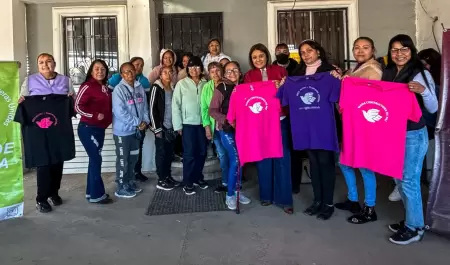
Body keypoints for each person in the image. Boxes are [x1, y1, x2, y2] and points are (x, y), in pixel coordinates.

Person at [382, 34, 438, 245]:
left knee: (409, 181)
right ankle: (410, 220)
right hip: (393, 133)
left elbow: (433, 107)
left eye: (404, 49)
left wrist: (423, 92)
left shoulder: (420, 73)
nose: (399, 54)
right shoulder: (388, 73)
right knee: (398, 178)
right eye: (394, 50)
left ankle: (415, 228)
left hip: (413, 134)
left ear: (411, 51)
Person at [18, 53, 75, 213]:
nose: (45, 65)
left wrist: (70, 98)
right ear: (38, 65)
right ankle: (41, 198)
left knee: (57, 161)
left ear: (54, 63)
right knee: (43, 163)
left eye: (48, 61)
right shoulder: (29, 81)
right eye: (41, 62)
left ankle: (53, 193)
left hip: (58, 129)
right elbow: (22, 101)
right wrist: (21, 101)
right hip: (38, 131)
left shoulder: (65, 81)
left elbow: (72, 104)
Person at [334, 37, 382, 223]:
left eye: (365, 47)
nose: (360, 51)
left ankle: (370, 207)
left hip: (363, 125)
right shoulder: (356, 68)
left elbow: (373, 98)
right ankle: (353, 199)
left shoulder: (374, 69)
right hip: (349, 122)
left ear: (373, 49)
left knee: (365, 166)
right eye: (357, 48)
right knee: (344, 161)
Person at [290, 40, 339, 220]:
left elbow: (338, 95)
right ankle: (317, 200)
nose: (306, 55)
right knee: (314, 164)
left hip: (324, 126)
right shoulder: (297, 73)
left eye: (309, 51)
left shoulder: (329, 71)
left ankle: (328, 203)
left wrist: (338, 77)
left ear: (318, 51)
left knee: (326, 164)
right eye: (302, 52)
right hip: (306, 127)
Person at [244, 43, 293, 214]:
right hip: (260, 123)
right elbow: (247, 99)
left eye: (261, 56)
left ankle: (285, 199)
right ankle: (266, 196)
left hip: (280, 119)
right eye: (254, 57)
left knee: (282, 158)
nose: (258, 59)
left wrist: (282, 87)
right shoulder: (249, 76)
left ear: (267, 56)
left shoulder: (279, 71)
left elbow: (289, 94)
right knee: (263, 158)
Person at [209, 61, 251, 209]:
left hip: (243, 130)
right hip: (226, 129)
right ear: (224, 74)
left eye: (234, 70)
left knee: (241, 160)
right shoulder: (222, 87)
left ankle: (237, 190)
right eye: (228, 71)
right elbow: (212, 111)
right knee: (236, 159)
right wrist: (227, 120)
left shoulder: (244, 87)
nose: (231, 73)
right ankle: (230, 194)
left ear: (240, 71)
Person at [75, 59, 114, 204]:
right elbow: (77, 106)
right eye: (97, 69)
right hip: (87, 129)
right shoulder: (87, 86)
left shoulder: (106, 88)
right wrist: (94, 115)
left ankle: (90, 193)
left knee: (94, 160)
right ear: (91, 71)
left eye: (103, 69)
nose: (100, 71)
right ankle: (98, 195)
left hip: (100, 130)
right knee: (97, 160)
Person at [108, 57, 151, 182]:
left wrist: (145, 121)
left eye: (132, 70)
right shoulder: (118, 90)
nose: (130, 73)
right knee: (123, 160)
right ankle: (121, 186)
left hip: (136, 131)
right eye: (126, 71)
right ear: (122, 75)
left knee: (133, 159)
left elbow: (144, 108)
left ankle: (130, 183)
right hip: (123, 132)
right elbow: (120, 112)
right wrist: (138, 122)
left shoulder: (139, 87)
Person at [172, 56, 209, 195]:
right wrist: (178, 126)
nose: (194, 70)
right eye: (191, 67)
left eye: (197, 67)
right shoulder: (182, 84)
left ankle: (197, 177)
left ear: (201, 69)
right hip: (187, 124)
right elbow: (176, 105)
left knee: (202, 152)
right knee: (189, 154)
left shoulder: (206, 83)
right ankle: (187, 182)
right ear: (187, 69)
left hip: (203, 124)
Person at [149, 66, 181, 191]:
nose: (168, 75)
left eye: (170, 72)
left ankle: (168, 176)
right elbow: (151, 109)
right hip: (161, 128)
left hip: (171, 127)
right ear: (160, 75)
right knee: (161, 154)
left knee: (169, 154)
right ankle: (161, 179)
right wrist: (157, 129)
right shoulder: (156, 87)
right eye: (165, 73)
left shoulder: (173, 87)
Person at [201, 62, 229, 193]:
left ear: (222, 71)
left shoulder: (228, 84)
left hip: (229, 126)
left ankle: (236, 180)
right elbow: (204, 108)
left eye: (218, 70)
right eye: (212, 72)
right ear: (208, 74)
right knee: (222, 155)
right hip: (215, 128)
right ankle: (225, 182)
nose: (215, 74)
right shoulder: (206, 87)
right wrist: (207, 127)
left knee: (233, 154)